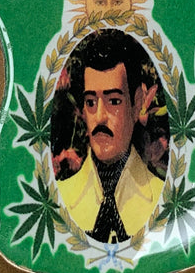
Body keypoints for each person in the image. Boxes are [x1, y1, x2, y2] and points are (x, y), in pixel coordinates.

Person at [57, 30, 165, 243]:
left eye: (114, 101)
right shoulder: (59, 198)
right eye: (91, 102)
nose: (99, 117)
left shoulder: (165, 198)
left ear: (137, 103)